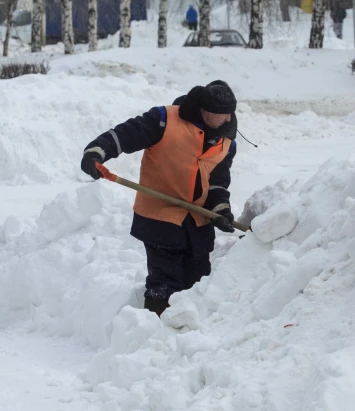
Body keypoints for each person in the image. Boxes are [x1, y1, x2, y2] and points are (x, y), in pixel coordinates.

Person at [80, 80, 238, 317]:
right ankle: (153, 332)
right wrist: (96, 152)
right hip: (159, 218)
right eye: (223, 114)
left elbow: (217, 181)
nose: (228, 120)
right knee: (164, 282)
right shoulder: (165, 120)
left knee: (199, 282)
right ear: (206, 111)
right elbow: (125, 135)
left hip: (197, 222)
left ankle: (191, 338)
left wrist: (221, 210)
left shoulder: (226, 141)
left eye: (230, 113)